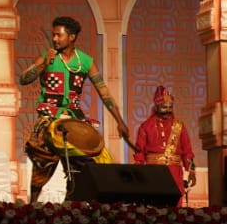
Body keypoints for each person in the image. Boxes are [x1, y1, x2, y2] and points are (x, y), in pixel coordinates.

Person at [19, 15, 130, 202]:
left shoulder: (85, 61)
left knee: (90, 162)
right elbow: (24, 79)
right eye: (53, 35)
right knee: (42, 165)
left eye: (58, 35)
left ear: (71, 37)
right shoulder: (47, 57)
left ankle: (74, 207)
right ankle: (32, 207)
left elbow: (104, 92)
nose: (54, 39)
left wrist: (120, 121)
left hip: (74, 120)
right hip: (49, 118)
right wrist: (44, 65)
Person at [131, 85, 196, 201]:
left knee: (175, 205)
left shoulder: (179, 126)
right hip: (153, 173)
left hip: (175, 173)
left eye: (170, 107)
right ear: (156, 107)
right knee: (154, 204)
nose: (168, 110)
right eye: (164, 107)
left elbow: (187, 151)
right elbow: (139, 154)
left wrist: (191, 171)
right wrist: (138, 173)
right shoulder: (145, 127)